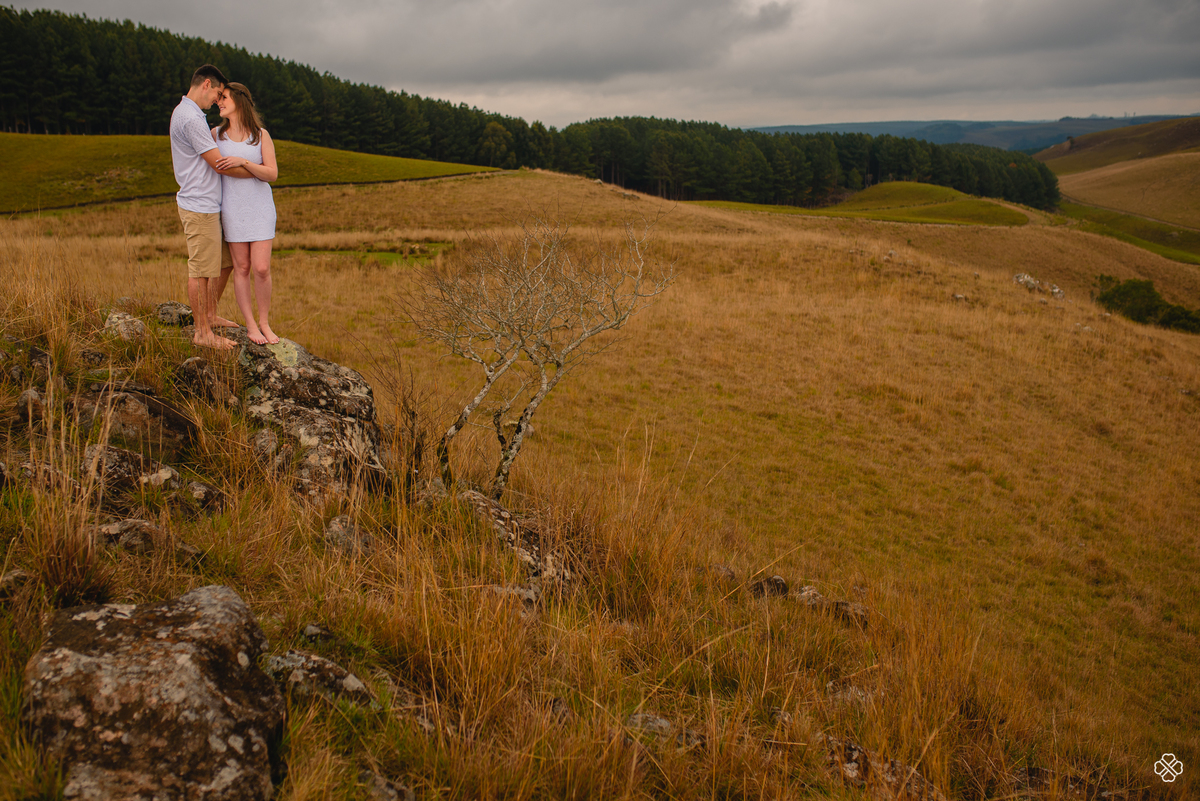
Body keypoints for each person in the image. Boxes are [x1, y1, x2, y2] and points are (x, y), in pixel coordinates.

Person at [168, 64, 252, 349]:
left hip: (211, 204)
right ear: (206, 84)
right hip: (199, 204)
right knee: (202, 270)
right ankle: (202, 332)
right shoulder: (190, 118)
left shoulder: (192, 115)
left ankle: (210, 314)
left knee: (225, 263)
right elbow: (218, 163)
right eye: (217, 93)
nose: (217, 100)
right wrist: (256, 171)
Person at [212, 82, 280, 345]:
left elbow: (272, 173)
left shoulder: (260, 135)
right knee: (241, 267)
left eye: (224, 97)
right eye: (219, 98)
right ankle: (251, 325)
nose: (219, 102)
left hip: (261, 208)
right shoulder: (215, 135)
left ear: (240, 101)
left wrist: (244, 161)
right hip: (233, 208)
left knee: (261, 268)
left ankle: (264, 322)